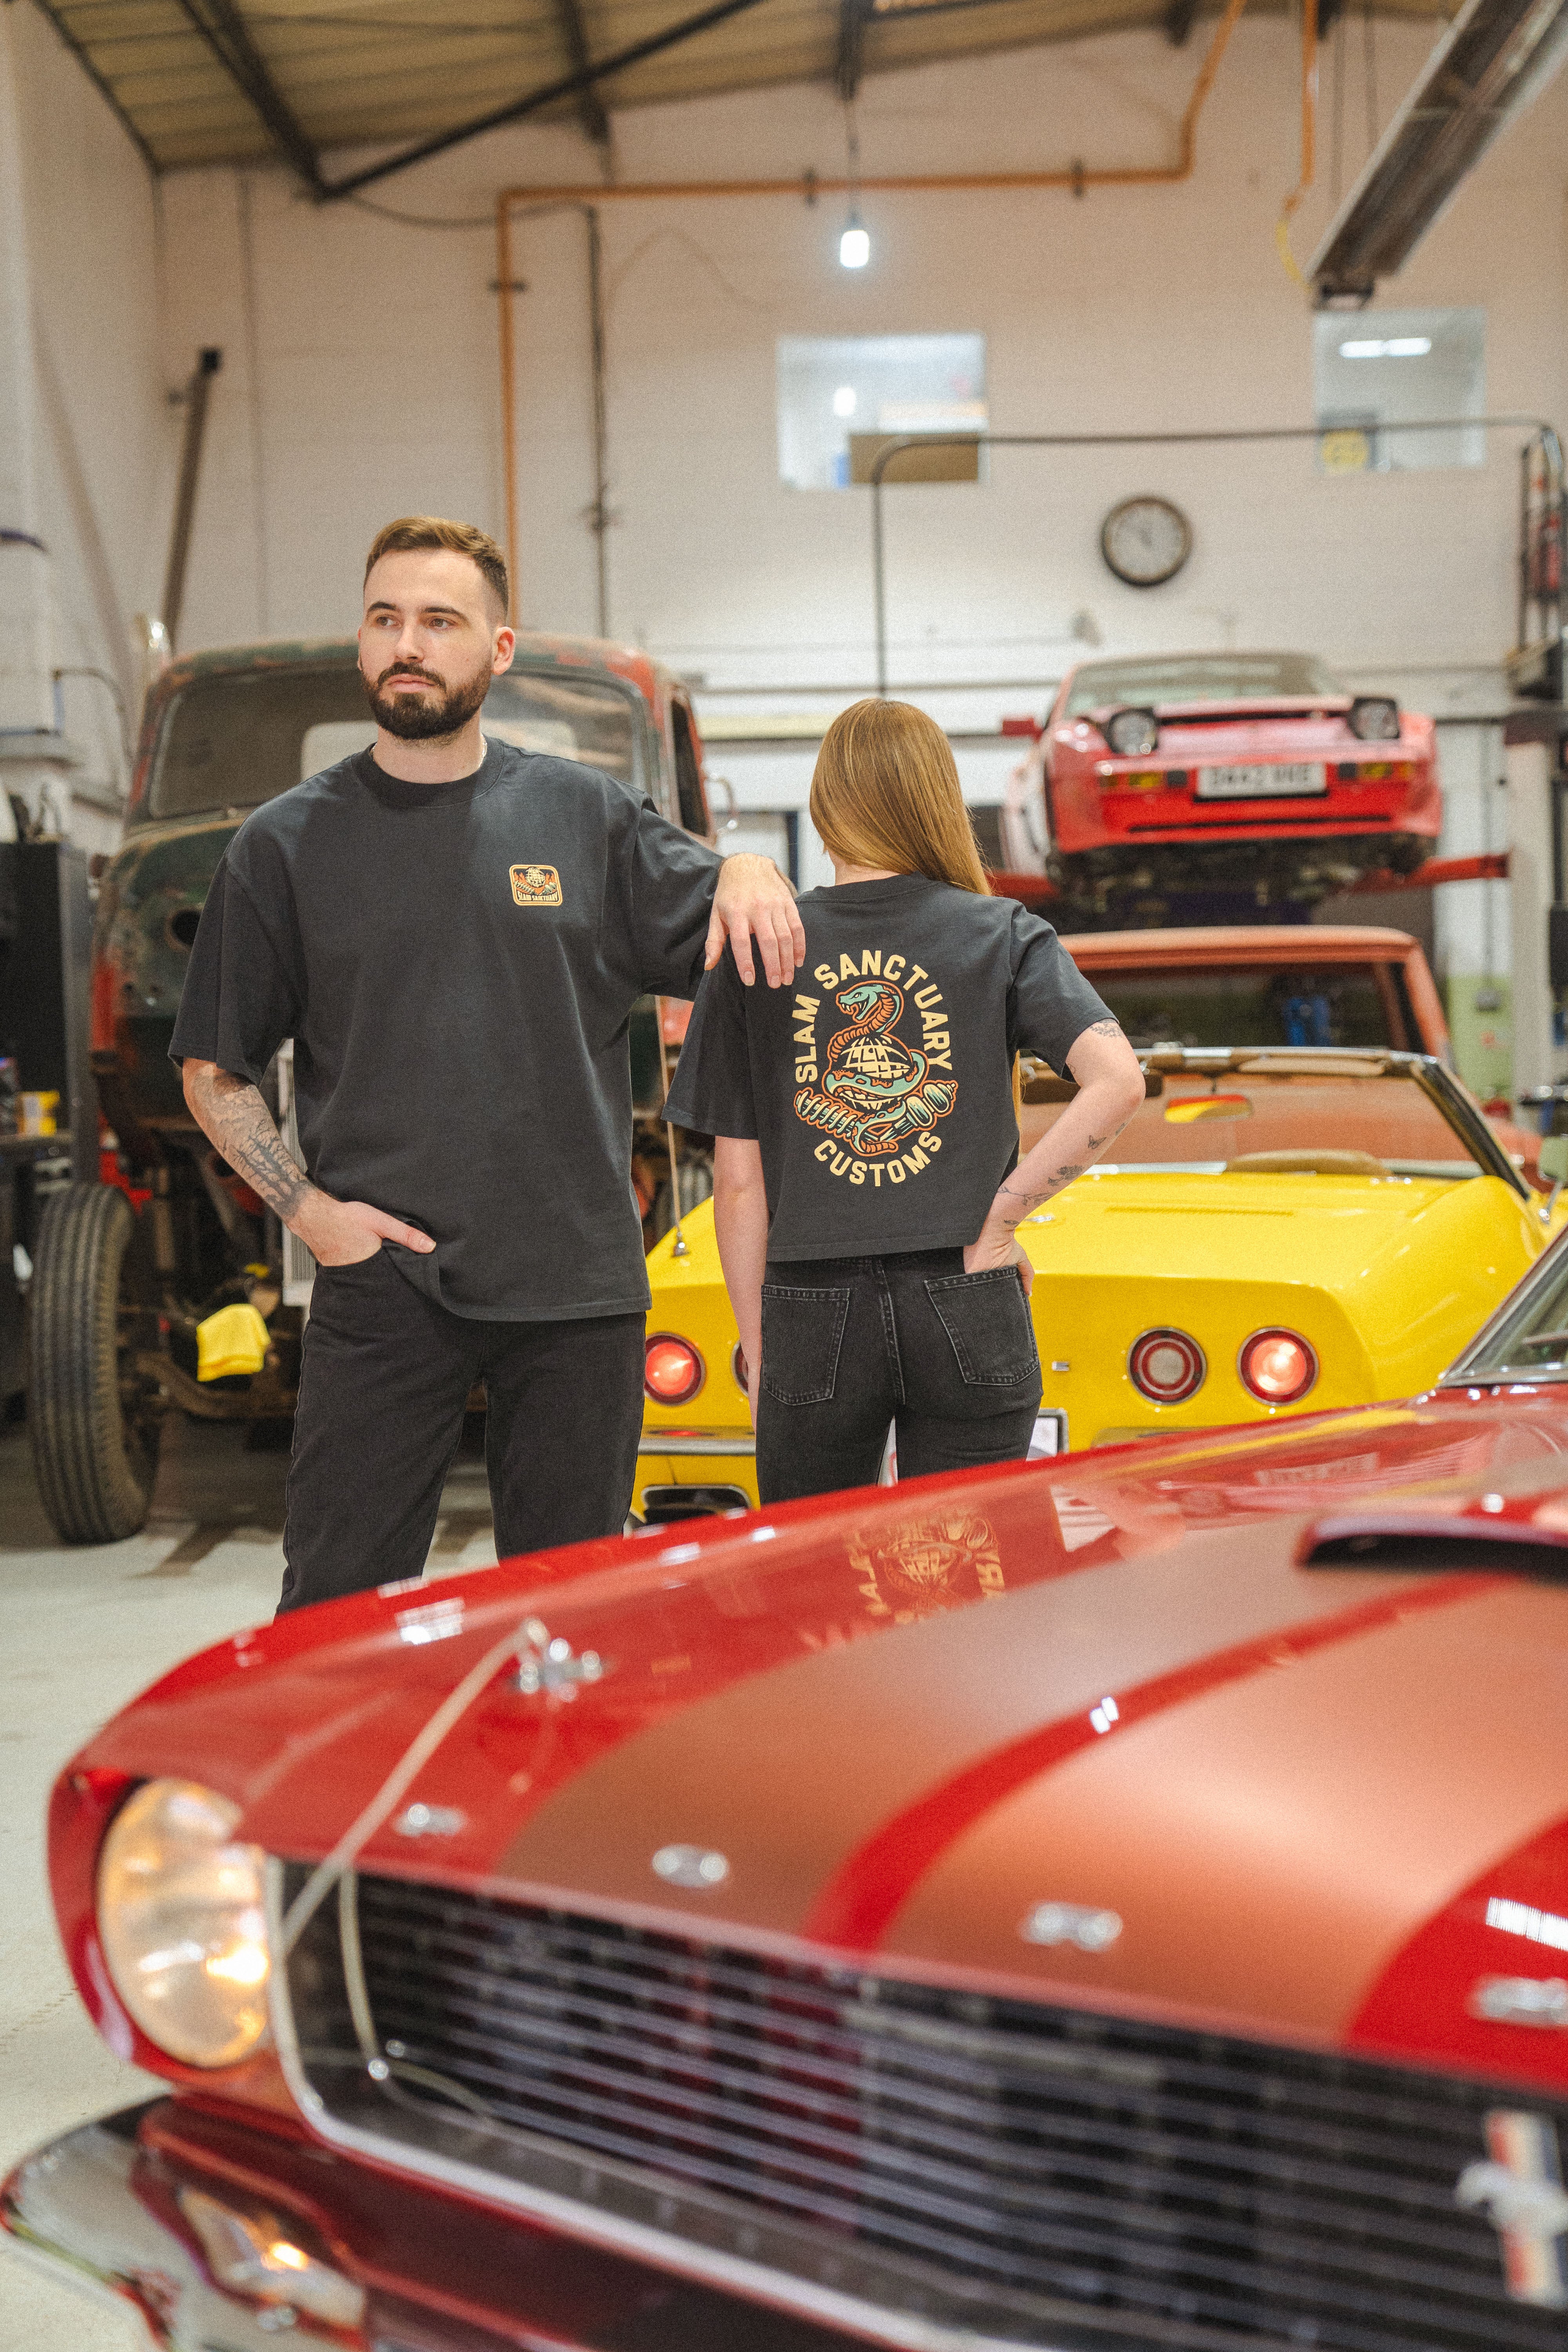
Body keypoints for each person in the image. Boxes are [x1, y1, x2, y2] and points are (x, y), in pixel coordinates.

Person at [172, 515, 804, 1612]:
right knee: (335, 1610)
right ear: (363, 644)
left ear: (498, 651)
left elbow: (739, 924)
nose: (407, 644)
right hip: (382, 1289)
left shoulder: (585, 817)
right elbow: (212, 1071)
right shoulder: (283, 846)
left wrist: (750, 862)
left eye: (439, 621)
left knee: (570, 1615)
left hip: (574, 1292)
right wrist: (315, 1217)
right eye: (385, 620)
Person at [663, 698, 1145, 1504]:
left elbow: (739, 1185)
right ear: (935, 799)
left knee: (817, 1586)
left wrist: (759, 1349)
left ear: (824, 805)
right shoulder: (1001, 933)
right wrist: (1001, 1219)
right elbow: (1118, 1081)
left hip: (810, 1309)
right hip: (966, 1290)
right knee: (975, 1572)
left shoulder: (759, 944)